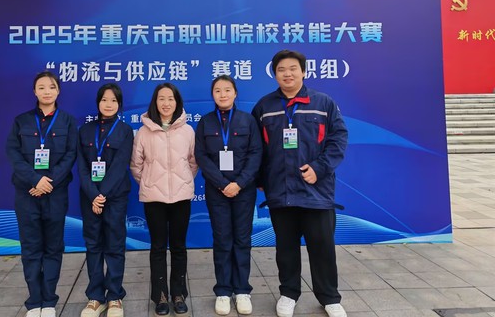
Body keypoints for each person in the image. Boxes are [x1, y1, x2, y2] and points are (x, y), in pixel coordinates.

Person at [251, 50, 348, 317]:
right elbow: (255, 147)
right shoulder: (264, 107)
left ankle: (329, 298)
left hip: (316, 191)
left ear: (303, 71)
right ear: (275, 74)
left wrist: (319, 168)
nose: (288, 74)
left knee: (322, 246)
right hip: (281, 192)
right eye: (281, 69)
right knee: (286, 248)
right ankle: (288, 293)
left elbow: (338, 139)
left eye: (293, 68)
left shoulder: (323, 103)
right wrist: (260, 178)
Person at [6, 71, 78, 317]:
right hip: (27, 193)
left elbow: (70, 155)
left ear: (58, 91)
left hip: (55, 194)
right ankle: (34, 301)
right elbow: (14, 154)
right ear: (34, 91)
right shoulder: (21, 121)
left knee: (53, 248)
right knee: (31, 248)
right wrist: (35, 179)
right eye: (41, 87)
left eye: (51, 87)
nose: (47, 91)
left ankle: (49, 301)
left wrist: (48, 182)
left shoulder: (68, 121)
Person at [194, 75, 262, 316]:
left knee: (242, 239)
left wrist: (239, 183)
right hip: (217, 191)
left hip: (244, 190)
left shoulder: (247, 120)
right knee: (222, 240)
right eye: (217, 91)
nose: (222, 94)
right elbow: (201, 156)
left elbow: (256, 154)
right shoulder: (205, 122)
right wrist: (223, 184)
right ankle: (223, 291)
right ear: (212, 95)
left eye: (227, 90)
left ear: (235, 93)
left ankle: (242, 290)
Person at [131, 83, 198, 316]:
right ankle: (160, 295)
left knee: (179, 247)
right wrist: (149, 183)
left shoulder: (188, 131)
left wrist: (182, 181)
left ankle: (178, 293)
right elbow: (136, 165)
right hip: (154, 199)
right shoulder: (144, 132)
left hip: (181, 197)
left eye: (170, 98)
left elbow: (193, 162)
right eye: (162, 98)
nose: (166, 103)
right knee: (158, 247)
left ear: (177, 102)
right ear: (155, 102)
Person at [77, 83, 134, 317]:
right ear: (98, 102)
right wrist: (93, 194)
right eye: (104, 100)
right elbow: (82, 167)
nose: (108, 104)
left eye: (113, 100)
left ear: (119, 104)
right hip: (90, 198)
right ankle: (95, 297)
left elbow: (120, 166)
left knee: (114, 245)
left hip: (115, 197)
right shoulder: (85, 130)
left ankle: (114, 296)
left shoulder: (125, 131)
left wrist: (102, 195)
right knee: (93, 245)